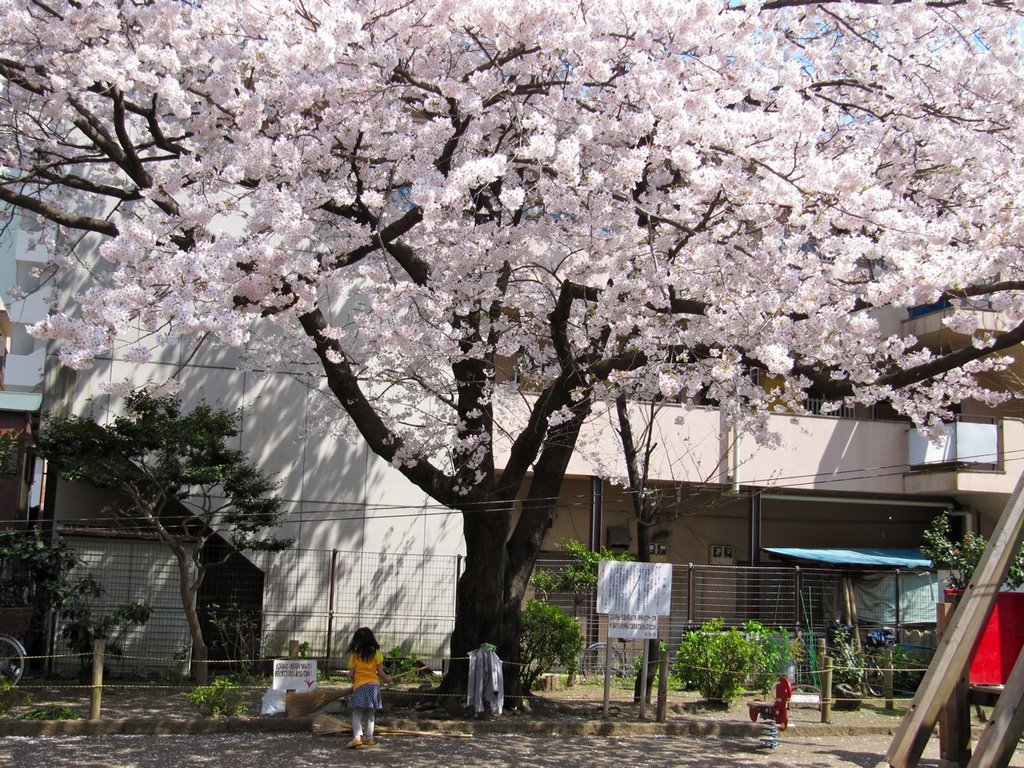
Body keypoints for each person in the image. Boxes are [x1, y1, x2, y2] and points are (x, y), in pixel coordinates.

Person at [345, 626, 390, 748]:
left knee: (357, 713)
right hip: (374, 687)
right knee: (370, 714)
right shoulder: (377, 654)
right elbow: (380, 673)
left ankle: (357, 738)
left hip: (360, 687)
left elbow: (351, 674)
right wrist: (387, 679)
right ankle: (369, 738)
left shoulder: (355, 656)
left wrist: (354, 681)